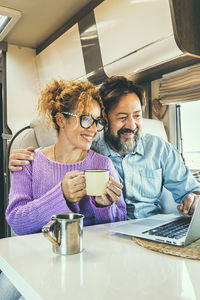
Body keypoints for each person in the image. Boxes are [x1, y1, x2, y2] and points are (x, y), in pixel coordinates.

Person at [9, 76, 200, 220]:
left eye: (137, 115)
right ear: (106, 119)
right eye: (122, 117)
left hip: (150, 232)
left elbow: (191, 191)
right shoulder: (89, 153)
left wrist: (194, 199)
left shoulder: (158, 149)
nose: (132, 125)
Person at [6, 79, 126, 236]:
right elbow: (17, 222)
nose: (94, 129)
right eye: (86, 119)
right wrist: (61, 196)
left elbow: (120, 224)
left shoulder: (103, 164)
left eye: (97, 121)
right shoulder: (28, 162)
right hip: (42, 254)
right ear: (61, 120)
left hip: (94, 254)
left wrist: (104, 207)